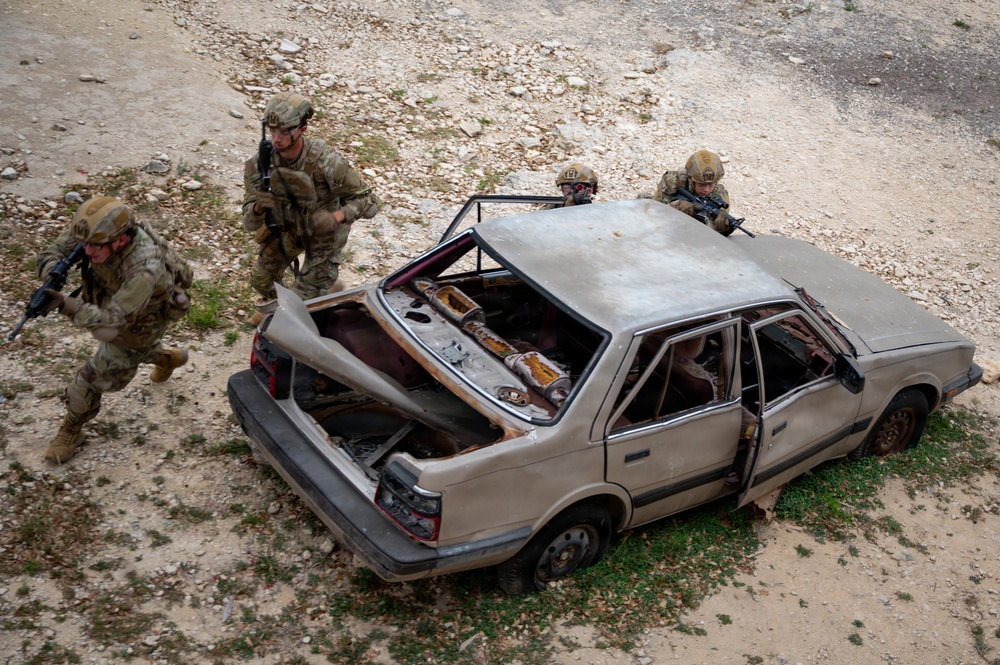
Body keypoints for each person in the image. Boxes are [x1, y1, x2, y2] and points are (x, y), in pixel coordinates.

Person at [36, 197, 193, 463]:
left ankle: (72, 429)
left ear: (121, 240)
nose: (87, 251)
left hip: (139, 324)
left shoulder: (145, 269)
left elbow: (109, 325)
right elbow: (51, 253)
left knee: (88, 380)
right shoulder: (96, 232)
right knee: (132, 353)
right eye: (85, 244)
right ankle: (166, 358)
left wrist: (66, 304)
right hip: (117, 305)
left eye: (95, 247)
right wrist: (55, 272)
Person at [242, 92, 378, 315]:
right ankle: (283, 306)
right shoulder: (260, 164)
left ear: (302, 130)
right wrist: (258, 207)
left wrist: (336, 217)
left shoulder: (326, 161)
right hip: (290, 228)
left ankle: (307, 301)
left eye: (285, 132)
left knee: (303, 299)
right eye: (273, 131)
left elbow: (369, 201)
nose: (277, 139)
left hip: (324, 233)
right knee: (260, 280)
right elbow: (249, 222)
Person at [652, 150, 735, 235]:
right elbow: (653, 213)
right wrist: (675, 207)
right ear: (690, 179)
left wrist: (721, 228)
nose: (706, 189)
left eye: (711, 184)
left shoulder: (719, 194)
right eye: (701, 184)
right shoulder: (673, 181)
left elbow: (715, 236)